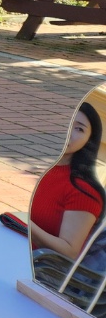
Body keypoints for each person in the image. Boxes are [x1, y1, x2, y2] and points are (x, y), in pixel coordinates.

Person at [30, 101, 105, 260]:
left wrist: (25, 224)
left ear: (89, 140)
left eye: (79, 129)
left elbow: (69, 251)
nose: (68, 131)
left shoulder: (84, 191)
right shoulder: (41, 170)